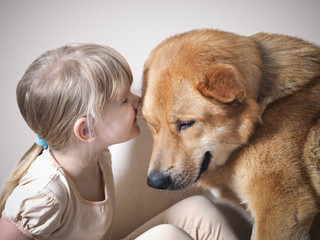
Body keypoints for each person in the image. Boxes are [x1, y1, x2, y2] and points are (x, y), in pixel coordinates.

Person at [0, 43, 239, 240]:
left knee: (197, 208)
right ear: (87, 129)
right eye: (125, 99)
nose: (138, 99)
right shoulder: (44, 194)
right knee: (168, 236)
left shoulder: (98, 156)